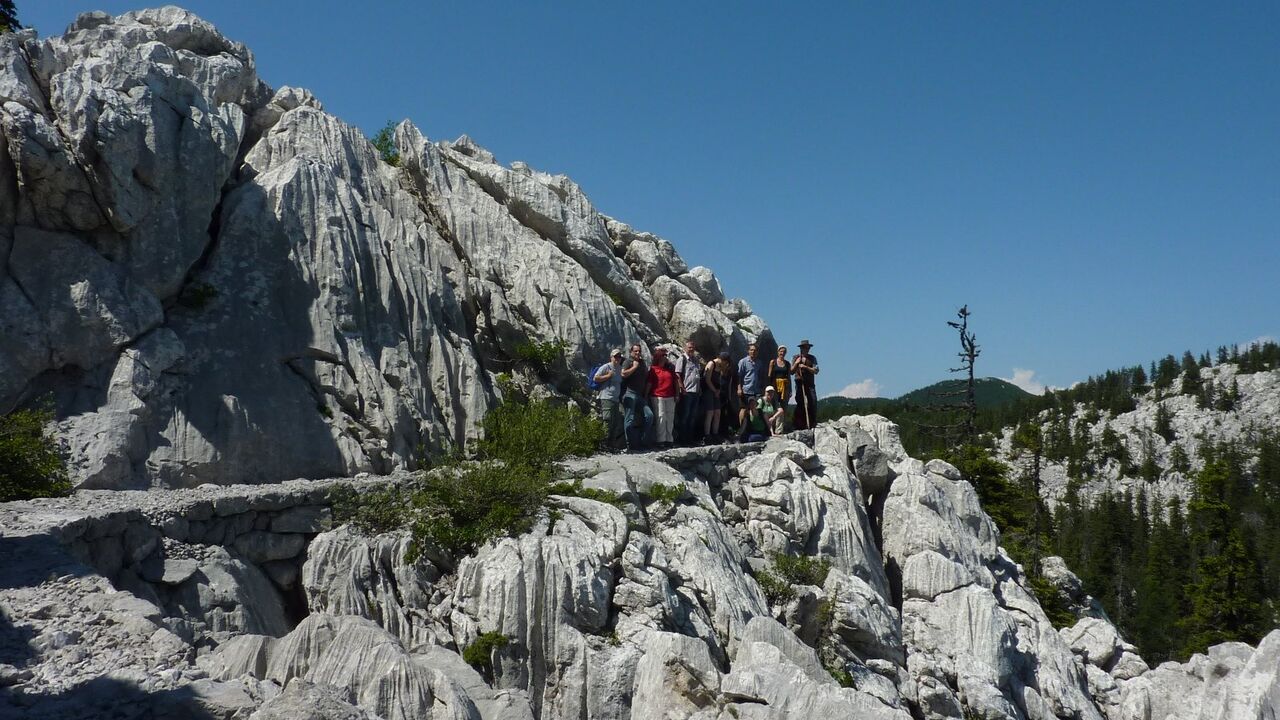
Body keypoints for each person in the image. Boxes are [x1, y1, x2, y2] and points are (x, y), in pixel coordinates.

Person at [620, 343, 651, 452]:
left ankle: (642, 442)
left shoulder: (642, 363)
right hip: (629, 393)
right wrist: (634, 367)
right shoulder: (628, 362)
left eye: (639, 351)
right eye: (635, 351)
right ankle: (630, 445)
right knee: (630, 418)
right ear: (631, 352)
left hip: (640, 395)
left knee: (649, 416)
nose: (638, 353)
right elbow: (623, 374)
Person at [647, 347, 680, 448]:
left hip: (670, 396)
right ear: (658, 357)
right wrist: (645, 395)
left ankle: (669, 439)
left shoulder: (670, 368)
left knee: (670, 418)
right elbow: (649, 383)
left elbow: (676, 382)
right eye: (663, 355)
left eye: (666, 355)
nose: (665, 357)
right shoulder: (653, 369)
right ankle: (660, 440)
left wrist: (677, 394)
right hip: (658, 396)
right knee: (661, 417)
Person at [593, 349, 625, 450]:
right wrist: (608, 376)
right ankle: (604, 443)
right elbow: (596, 378)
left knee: (615, 421)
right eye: (615, 356)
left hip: (615, 398)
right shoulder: (606, 367)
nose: (617, 358)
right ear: (611, 357)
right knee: (607, 420)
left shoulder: (620, 368)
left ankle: (611, 444)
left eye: (619, 356)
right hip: (606, 396)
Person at [673, 340, 703, 444]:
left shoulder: (695, 360)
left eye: (693, 348)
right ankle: (682, 439)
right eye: (689, 347)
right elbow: (677, 375)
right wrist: (682, 388)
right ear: (685, 348)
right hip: (687, 392)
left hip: (695, 391)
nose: (691, 349)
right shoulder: (682, 359)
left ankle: (690, 439)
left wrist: (699, 389)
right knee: (685, 416)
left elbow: (697, 375)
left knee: (692, 416)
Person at [792, 339, 820, 430]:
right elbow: (791, 371)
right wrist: (797, 363)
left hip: (810, 383)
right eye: (805, 348)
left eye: (808, 348)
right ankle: (799, 423)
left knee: (813, 401)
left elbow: (816, 370)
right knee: (800, 402)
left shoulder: (812, 358)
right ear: (801, 348)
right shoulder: (795, 357)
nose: (807, 349)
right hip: (799, 382)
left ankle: (812, 422)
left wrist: (805, 367)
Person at [701, 352, 725, 443]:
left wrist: (718, 390)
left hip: (716, 391)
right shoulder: (712, 364)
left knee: (717, 412)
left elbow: (719, 380)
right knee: (710, 412)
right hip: (708, 390)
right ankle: (707, 435)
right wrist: (714, 390)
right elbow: (707, 379)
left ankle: (715, 434)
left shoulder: (720, 367)